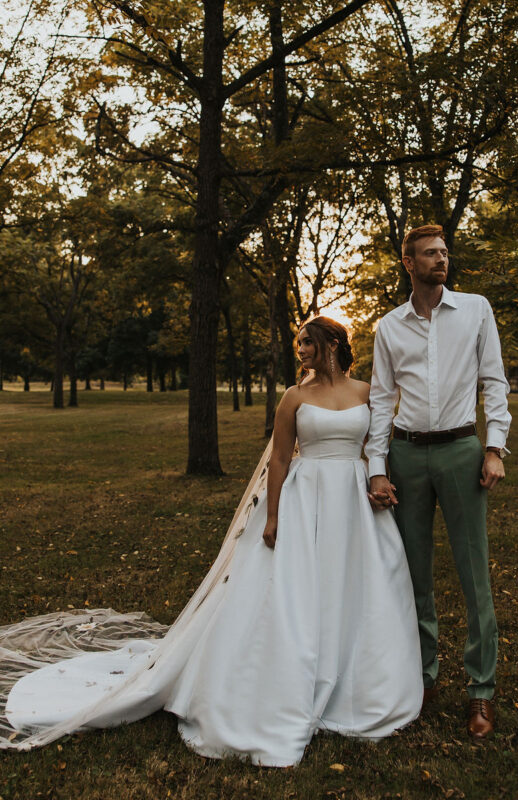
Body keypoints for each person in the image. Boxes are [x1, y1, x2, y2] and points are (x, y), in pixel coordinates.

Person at [0, 317, 422, 765]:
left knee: (358, 589)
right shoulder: (294, 397)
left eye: (307, 343)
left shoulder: (365, 392)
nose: (299, 351)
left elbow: (376, 445)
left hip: (354, 504)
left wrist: (380, 481)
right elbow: (279, 460)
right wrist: (274, 514)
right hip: (306, 501)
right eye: (297, 344)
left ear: (333, 343)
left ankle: (357, 685)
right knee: (294, 592)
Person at [365, 225, 510, 742]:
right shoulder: (389, 327)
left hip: (461, 451)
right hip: (406, 455)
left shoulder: (475, 310)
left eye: (445, 252)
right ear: (408, 262)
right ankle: (421, 680)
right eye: (430, 253)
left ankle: (481, 692)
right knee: (413, 577)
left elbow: (493, 381)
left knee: (474, 575)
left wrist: (494, 448)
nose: (441, 259)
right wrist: (376, 466)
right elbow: (381, 401)